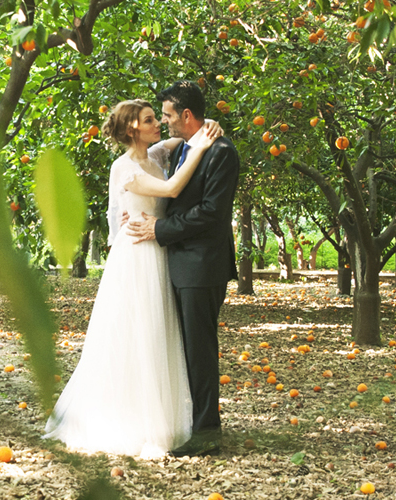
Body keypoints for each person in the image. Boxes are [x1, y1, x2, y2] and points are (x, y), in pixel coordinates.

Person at [43, 99, 222, 458]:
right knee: (136, 333)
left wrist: (205, 125)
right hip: (137, 254)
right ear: (131, 130)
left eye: (159, 117)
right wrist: (201, 148)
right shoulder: (124, 168)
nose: (159, 123)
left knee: (159, 333)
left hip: (159, 250)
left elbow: (182, 135)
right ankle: (131, 420)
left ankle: (163, 418)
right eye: (150, 119)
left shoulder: (155, 155)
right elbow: (171, 190)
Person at [125, 81, 240, 457]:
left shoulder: (221, 153)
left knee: (200, 352)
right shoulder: (182, 149)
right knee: (183, 349)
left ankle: (207, 434)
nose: (165, 121)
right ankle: (187, 423)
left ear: (187, 116)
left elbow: (210, 213)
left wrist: (159, 229)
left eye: (170, 115)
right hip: (178, 263)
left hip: (201, 265)